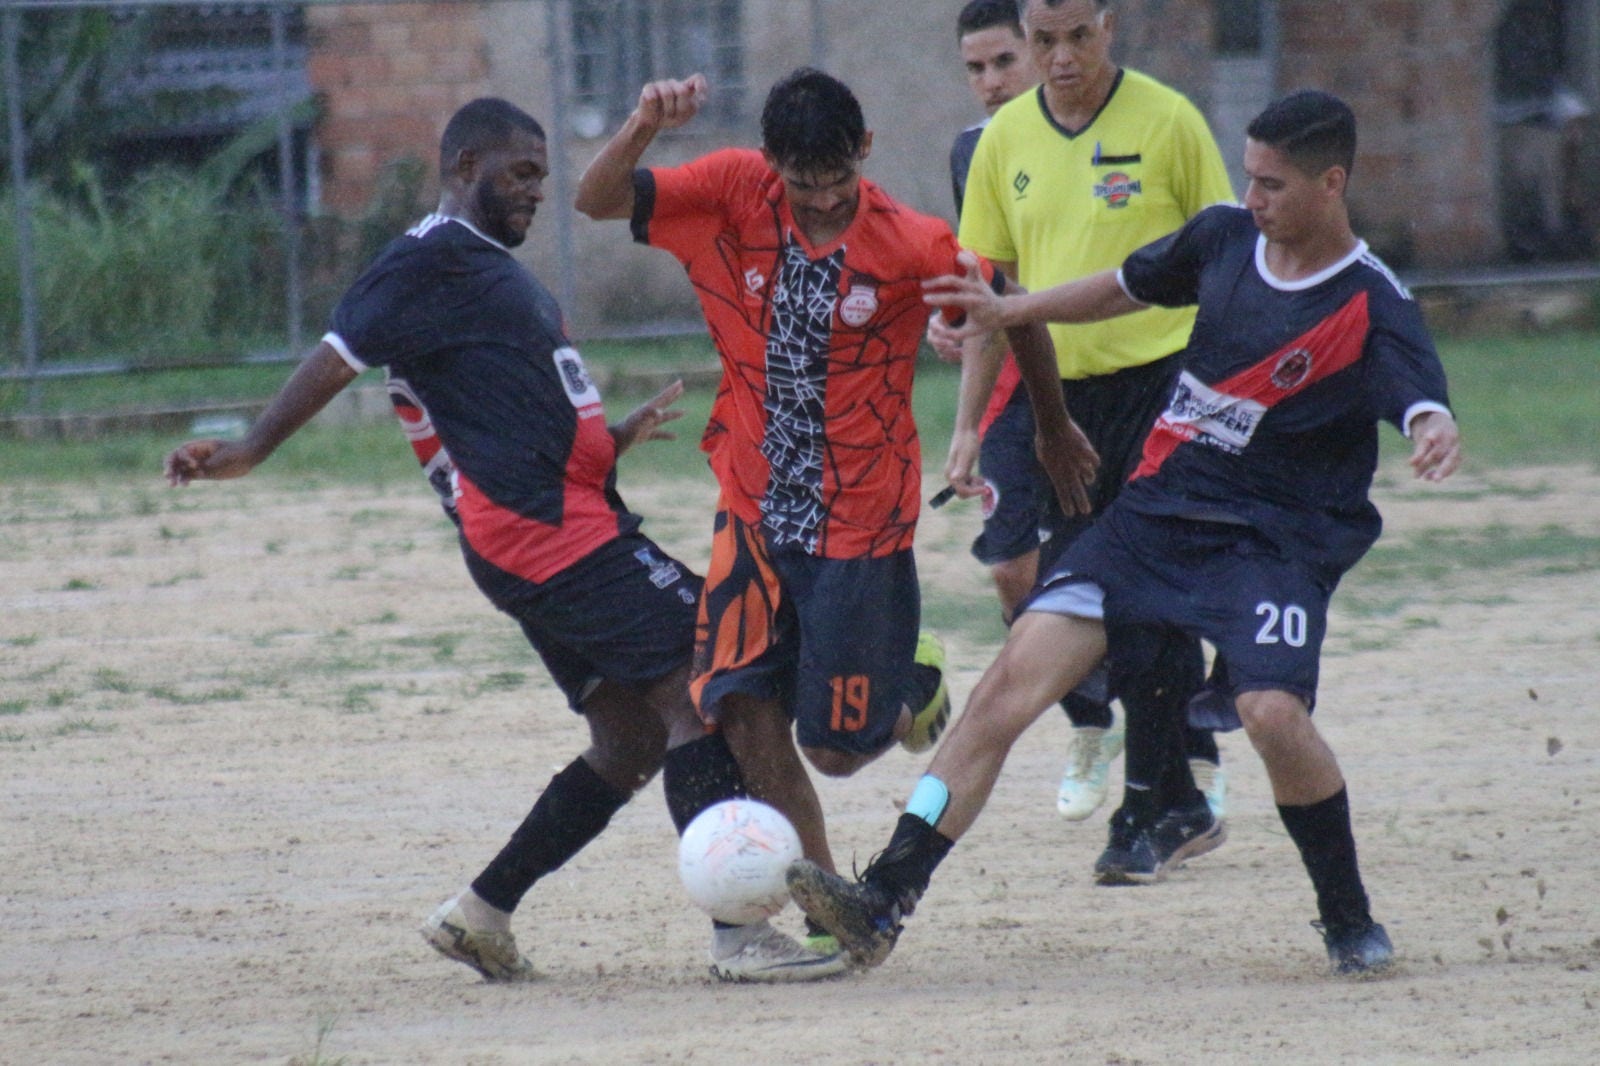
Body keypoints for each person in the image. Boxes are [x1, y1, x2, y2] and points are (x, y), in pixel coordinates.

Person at [164, 97, 848, 984]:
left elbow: (507, 410)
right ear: (463, 167)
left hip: (547, 530)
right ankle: (740, 937)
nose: (535, 190)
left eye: (541, 174)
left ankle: (481, 913)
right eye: (519, 172)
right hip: (551, 538)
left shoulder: (481, 269)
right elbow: (339, 352)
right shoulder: (428, 259)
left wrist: (610, 439)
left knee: (629, 740)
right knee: (701, 681)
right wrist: (252, 447)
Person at [788, 89, 1463, 977]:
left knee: (1271, 714)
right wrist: (1013, 311)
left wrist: (1431, 426)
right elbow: (1121, 287)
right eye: (1250, 177)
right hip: (1152, 521)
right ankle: (883, 899)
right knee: (1005, 689)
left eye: (1272, 184)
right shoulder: (1223, 238)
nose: (1251, 198)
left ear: (1331, 183)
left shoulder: (1372, 302)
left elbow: (1421, 395)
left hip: (1271, 546)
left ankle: (1349, 918)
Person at [575, 68, 1095, 892]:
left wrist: (1052, 425)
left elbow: (1010, 308)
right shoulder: (729, 191)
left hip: (859, 521)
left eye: (838, 181)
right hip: (751, 506)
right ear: (768, 161)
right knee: (741, 712)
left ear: (867, 150)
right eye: (801, 185)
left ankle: (912, 680)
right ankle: (828, 898)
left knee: (834, 750)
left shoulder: (911, 242)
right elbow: (595, 200)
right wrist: (642, 125)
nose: (820, 202)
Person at [939, 0, 1234, 871]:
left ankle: (1150, 808)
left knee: (1140, 596)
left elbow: (1229, 265)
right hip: (1060, 407)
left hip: (1165, 390)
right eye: (1043, 41)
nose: (1061, 58)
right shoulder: (1001, 144)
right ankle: (1173, 794)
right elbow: (995, 298)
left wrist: (1226, 400)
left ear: (1108, 25)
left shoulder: (1169, 121)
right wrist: (967, 426)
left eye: (1077, 37)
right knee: (1090, 596)